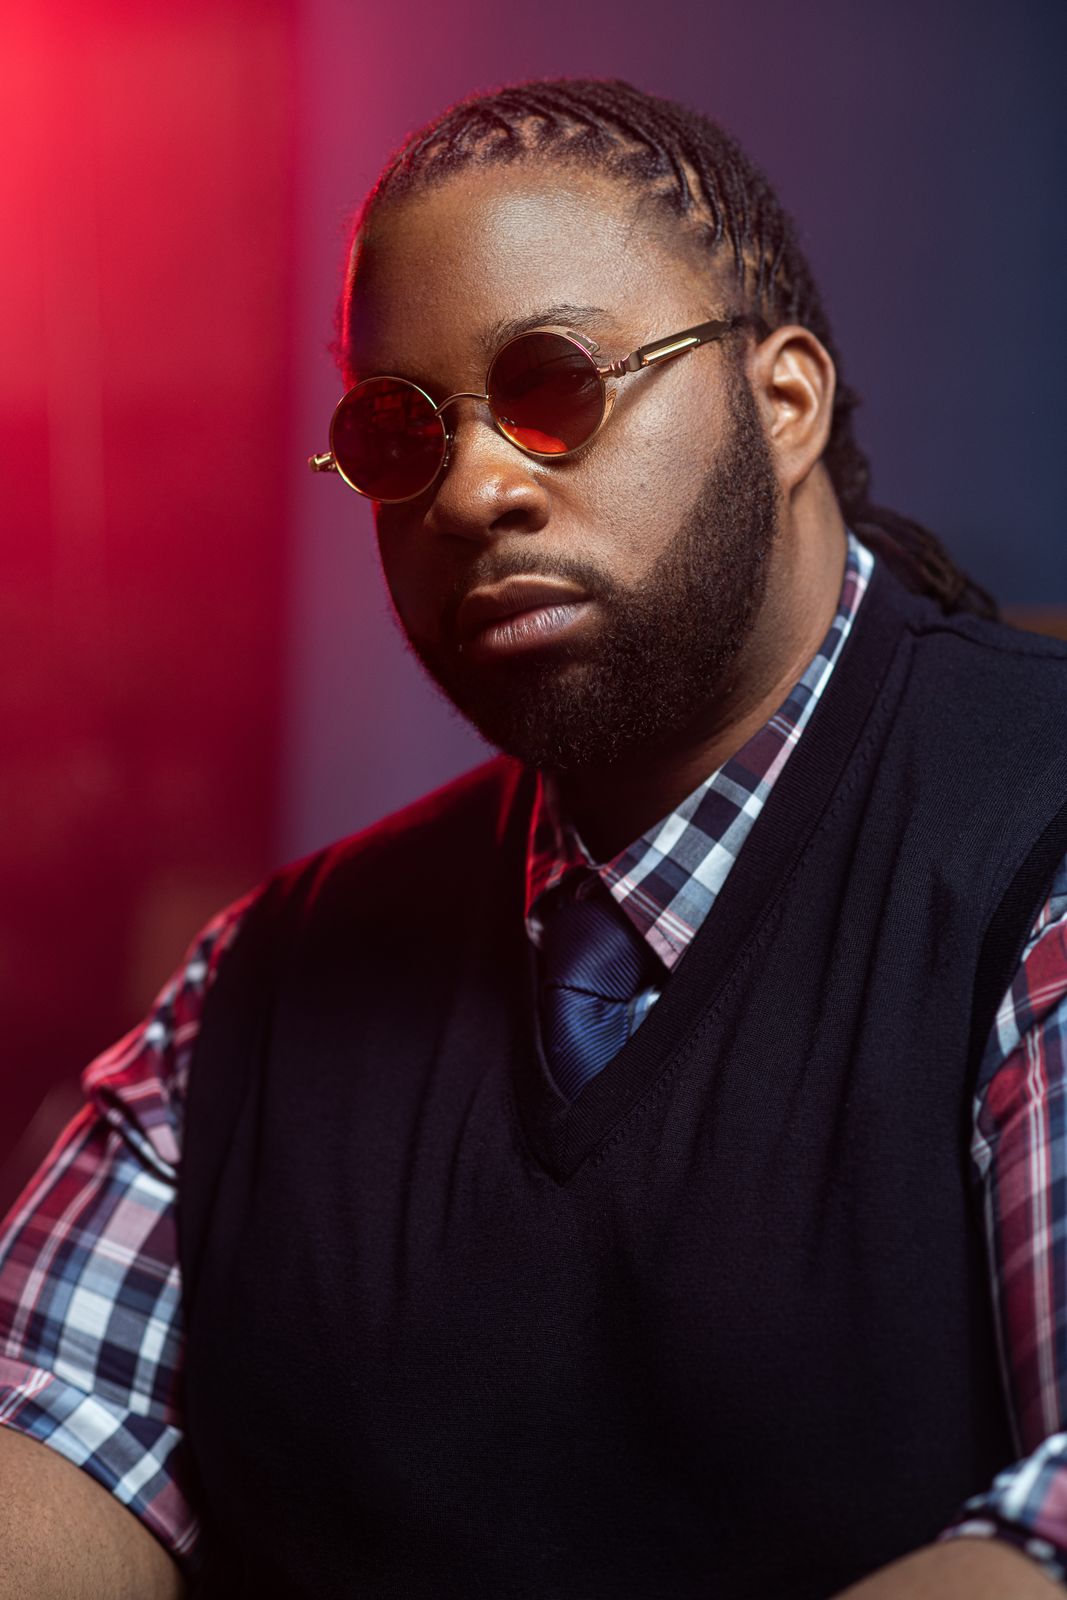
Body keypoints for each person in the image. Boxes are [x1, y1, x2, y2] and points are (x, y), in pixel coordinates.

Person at [1, 77, 1066, 1600]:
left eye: (554, 387)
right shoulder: (263, 986)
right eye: (399, 431)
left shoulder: (1034, 848)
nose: (475, 489)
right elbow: (56, 1418)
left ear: (783, 405)